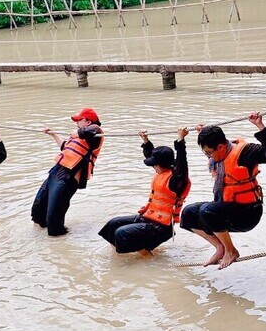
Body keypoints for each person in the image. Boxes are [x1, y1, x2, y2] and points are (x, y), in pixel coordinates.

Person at [180, 112, 266, 269]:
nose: (208, 156)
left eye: (209, 152)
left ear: (220, 147)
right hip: (225, 210)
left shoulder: (245, 153)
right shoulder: (219, 152)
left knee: (207, 210)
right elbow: (212, 148)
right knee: (188, 213)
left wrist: (260, 126)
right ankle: (220, 248)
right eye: (205, 153)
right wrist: (204, 133)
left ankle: (231, 250)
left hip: (247, 214)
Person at [99, 127, 191, 256]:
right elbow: (151, 155)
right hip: (148, 218)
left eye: (155, 164)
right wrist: (146, 141)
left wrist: (181, 140)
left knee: (122, 232)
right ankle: (118, 254)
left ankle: (147, 256)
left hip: (161, 227)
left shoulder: (177, 180)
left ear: (160, 164)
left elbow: (182, 161)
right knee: (113, 224)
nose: (153, 166)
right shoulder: (162, 170)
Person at [32, 107, 103, 236]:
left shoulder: (95, 132)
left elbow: (91, 131)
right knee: (38, 210)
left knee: (53, 218)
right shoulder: (78, 136)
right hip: (56, 171)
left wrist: (78, 132)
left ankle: (59, 244)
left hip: (69, 176)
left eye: (79, 120)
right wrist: (53, 134)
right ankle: (40, 241)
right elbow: (64, 147)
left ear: (88, 122)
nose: (76, 123)